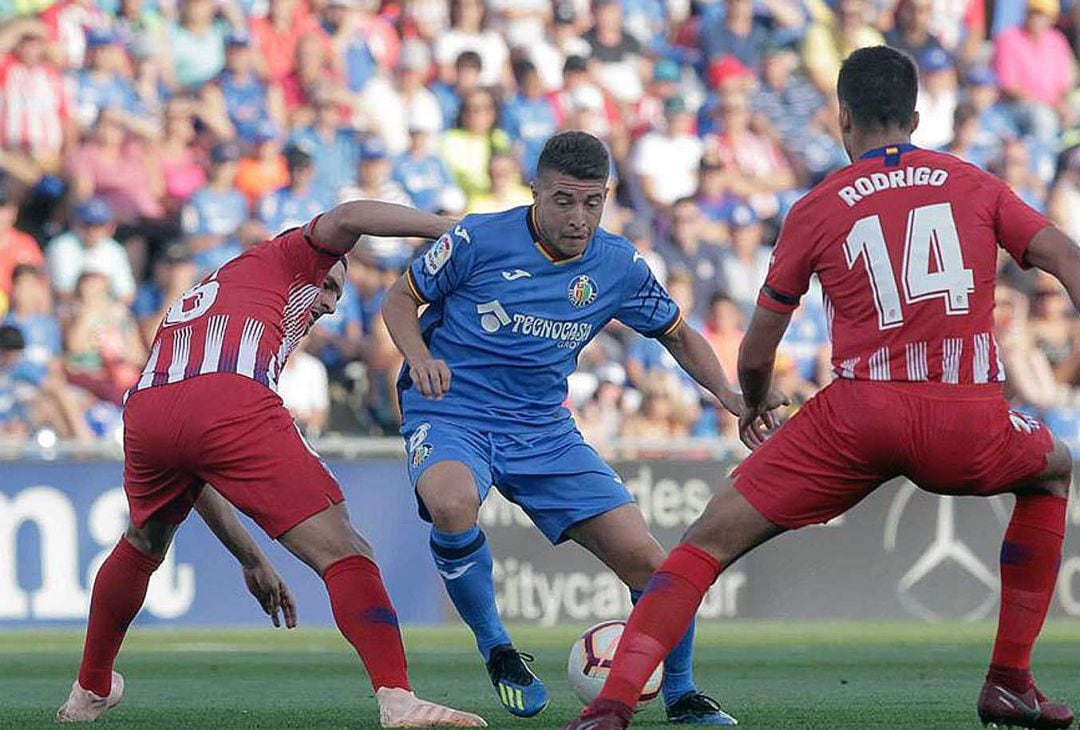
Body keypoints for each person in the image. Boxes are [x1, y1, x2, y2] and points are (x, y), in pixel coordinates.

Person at [563, 46, 1080, 730]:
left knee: (704, 543)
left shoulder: (819, 205)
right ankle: (1009, 679)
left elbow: (756, 350)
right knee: (1051, 471)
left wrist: (756, 400)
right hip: (967, 417)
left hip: (857, 418)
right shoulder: (975, 183)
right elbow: (1064, 256)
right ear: (916, 115)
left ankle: (612, 706)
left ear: (842, 118)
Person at [382, 131, 782, 724]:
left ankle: (682, 694)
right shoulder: (477, 238)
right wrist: (418, 356)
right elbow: (399, 298)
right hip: (452, 410)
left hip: (543, 429)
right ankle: (497, 649)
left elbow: (676, 333)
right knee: (451, 500)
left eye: (592, 202)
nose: (579, 216)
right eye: (564, 200)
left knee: (652, 563)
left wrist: (728, 393)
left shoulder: (617, 264)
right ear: (536, 192)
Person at [56, 199, 487, 728]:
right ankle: (397, 698)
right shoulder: (286, 256)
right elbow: (349, 216)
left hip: (148, 408)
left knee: (143, 543)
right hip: (228, 397)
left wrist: (250, 557)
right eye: (329, 285)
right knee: (346, 550)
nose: (329, 303)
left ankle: (88, 690)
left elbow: (199, 457)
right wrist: (455, 228)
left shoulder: (217, 299)